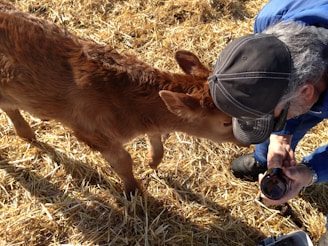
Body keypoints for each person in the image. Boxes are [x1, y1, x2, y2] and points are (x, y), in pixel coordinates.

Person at [208, 1, 328, 244]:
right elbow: (276, 84)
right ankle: (263, 161)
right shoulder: (272, 19)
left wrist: (310, 172)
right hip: (304, 87)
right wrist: (279, 135)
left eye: (276, 120)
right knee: (284, 113)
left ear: (307, 93)